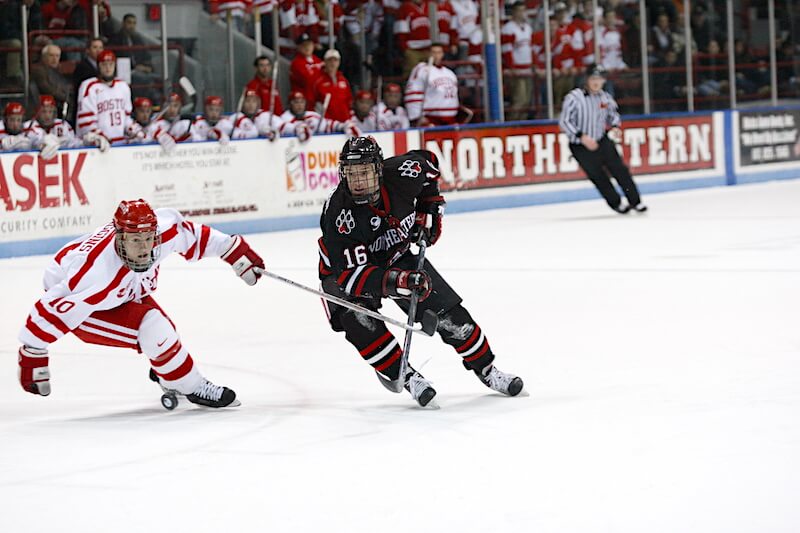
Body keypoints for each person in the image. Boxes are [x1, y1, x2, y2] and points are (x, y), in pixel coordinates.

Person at [318, 137, 524, 407]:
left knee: (451, 317)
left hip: (397, 255)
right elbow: (351, 277)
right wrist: (397, 282)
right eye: (352, 173)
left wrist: (429, 206)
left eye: (365, 173)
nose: (358, 181)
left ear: (379, 169)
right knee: (360, 322)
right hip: (345, 274)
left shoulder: (402, 173)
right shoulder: (338, 213)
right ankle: (406, 376)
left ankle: (488, 370)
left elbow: (430, 163)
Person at [17, 199, 265, 407]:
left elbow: (193, 234)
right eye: (136, 241)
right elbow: (50, 308)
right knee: (154, 327)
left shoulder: (161, 234)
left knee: (163, 333)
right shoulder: (95, 275)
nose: (145, 248)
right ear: (120, 238)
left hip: (123, 290)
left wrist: (234, 252)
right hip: (86, 310)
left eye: (148, 238)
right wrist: (32, 356)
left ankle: (171, 377)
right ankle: (193, 386)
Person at [559, 64, 646, 214]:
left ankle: (635, 201)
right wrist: (582, 136)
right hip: (580, 146)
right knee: (599, 176)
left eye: (599, 78)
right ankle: (616, 203)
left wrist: (615, 127)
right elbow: (564, 121)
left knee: (620, 170)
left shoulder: (605, 98)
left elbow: (613, 115)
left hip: (602, 140)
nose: (596, 82)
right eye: (593, 78)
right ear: (586, 79)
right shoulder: (574, 98)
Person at [76, 49, 131, 150]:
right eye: (104, 65)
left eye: (111, 64)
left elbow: (127, 118)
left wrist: (135, 131)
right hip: (96, 147)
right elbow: (85, 121)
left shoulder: (123, 86)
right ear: (98, 66)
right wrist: (100, 137)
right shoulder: (89, 86)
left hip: (120, 146)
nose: (108, 68)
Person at [405, 43, 458, 126]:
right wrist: (417, 118)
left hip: (450, 120)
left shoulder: (449, 73)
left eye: (439, 52)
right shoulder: (421, 69)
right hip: (431, 119)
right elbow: (412, 95)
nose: (436, 55)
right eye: (433, 52)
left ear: (442, 54)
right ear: (428, 54)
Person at [278, 90, 358, 142]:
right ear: (289, 104)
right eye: (296, 102)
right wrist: (297, 129)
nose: (299, 105)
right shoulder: (284, 118)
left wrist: (342, 126)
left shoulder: (312, 115)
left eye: (302, 102)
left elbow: (327, 125)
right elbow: (283, 129)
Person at [501, 1, 534, 121]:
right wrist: (511, 67)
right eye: (519, 10)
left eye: (523, 10)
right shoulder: (508, 28)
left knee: (526, 101)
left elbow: (531, 49)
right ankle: (513, 125)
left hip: (527, 68)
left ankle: (523, 123)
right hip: (517, 70)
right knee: (519, 100)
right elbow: (506, 50)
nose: (521, 13)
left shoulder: (528, 28)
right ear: (514, 12)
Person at [24, 94, 82, 159]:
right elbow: (32, 143)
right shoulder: (28, 127)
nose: (47, 116)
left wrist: (85, 142)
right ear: (37, 113)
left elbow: (74, 144)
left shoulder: (63, 125)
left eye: (50, 112)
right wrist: (43, 143)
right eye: (44, 112)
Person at [30, 43, 73, 117]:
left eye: (57, 56)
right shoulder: (39, 71)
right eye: (51, 55)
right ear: (43, 57)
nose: (54, 59)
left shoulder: (59, 71)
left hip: (61, 106)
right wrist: (66, 98)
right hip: (47, 108)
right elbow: (47, 89)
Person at [312, 48, 353, 122]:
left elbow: (349, 101)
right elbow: (313, 103)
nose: (332, 63)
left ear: (339, 62)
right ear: (324, 62)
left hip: (344, 122)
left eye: (335, 60)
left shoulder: (343, 80)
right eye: (330, 60)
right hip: (328, 124)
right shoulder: (318, 81)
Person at [289, 33, 323, 111]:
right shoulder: (296, 63)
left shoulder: (317, 60)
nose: (307, 47)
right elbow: (308, 79)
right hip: (304, 103)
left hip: (319, 100)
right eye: (304, 45)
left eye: (309, 44)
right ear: (298, 47)